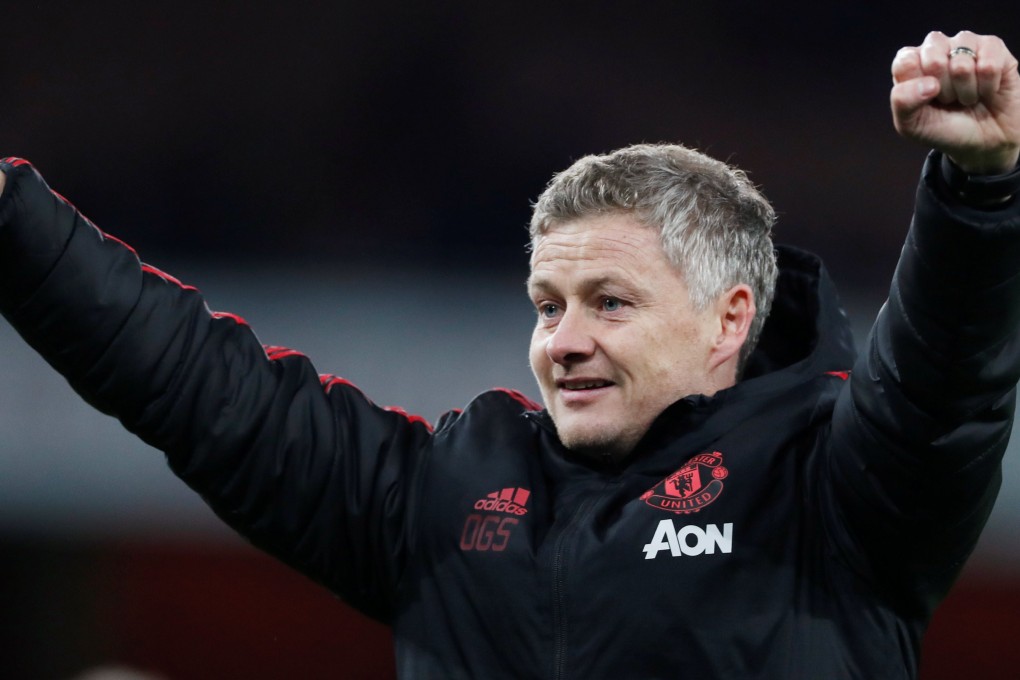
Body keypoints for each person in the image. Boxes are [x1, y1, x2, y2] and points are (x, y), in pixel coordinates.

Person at [1, 28, 1019, 679]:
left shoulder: (836, 489)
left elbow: (945, 384)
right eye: (547, 305)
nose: (563, 342)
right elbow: (204, 388)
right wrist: (13, 220)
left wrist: (978, 194)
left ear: (728, 318)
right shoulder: (451, 491)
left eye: (609, 303)